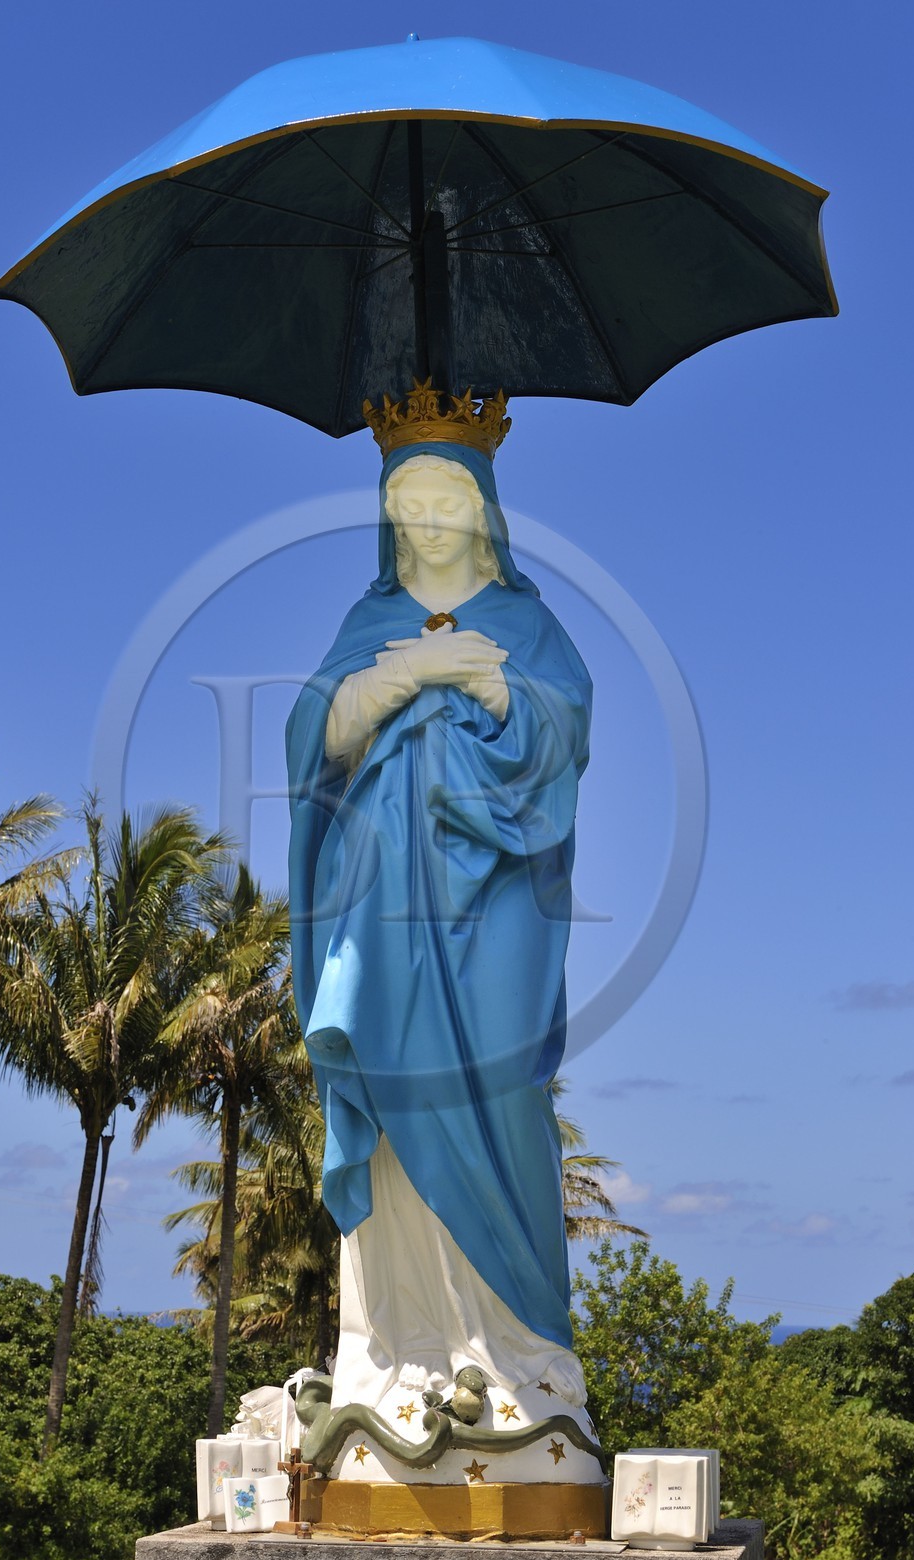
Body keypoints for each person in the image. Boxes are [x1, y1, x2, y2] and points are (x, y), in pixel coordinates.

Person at [286, 409, 596, 1446]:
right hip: (379, 897)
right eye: (403, 501)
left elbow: (563, 728)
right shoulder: (364, 620)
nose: (424, 518)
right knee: (385, 1075)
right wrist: (397, 674)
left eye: (444, 497)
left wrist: (484, 674)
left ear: (482, 508)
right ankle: (393, 1356)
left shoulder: (528, 621)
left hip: (495, 899)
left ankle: (517, 1353)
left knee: (502, 1089)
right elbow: (312, 741)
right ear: (385, 515)